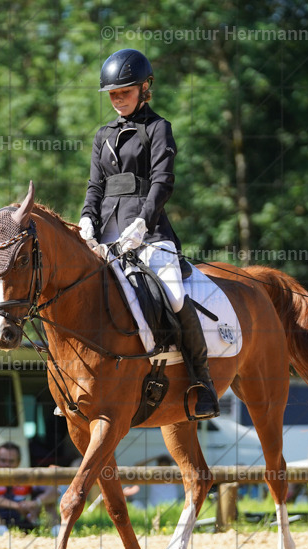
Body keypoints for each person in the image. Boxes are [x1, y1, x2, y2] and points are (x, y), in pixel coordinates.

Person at [79, 48, 219, 420]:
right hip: (107, 233)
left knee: (174, 296)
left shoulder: (159, 128)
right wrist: (87, 219)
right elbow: (95, 186)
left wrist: (142, 222)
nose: (117, 99)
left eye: (124, 91)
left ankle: (203, 381)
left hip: (150, 230)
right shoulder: (102, 134)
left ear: (145, 88)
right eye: (112, 93)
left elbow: (162, 181)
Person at [0, 442, 58, 535]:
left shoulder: (28, 478)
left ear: (19, 462)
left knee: (48, 501)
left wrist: (34, 503)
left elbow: (54, 491)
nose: (6, 465)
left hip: (25, 518)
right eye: (3, 460)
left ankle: (57, 532)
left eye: (11, 461)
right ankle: (3, 534)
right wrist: (16, 506)